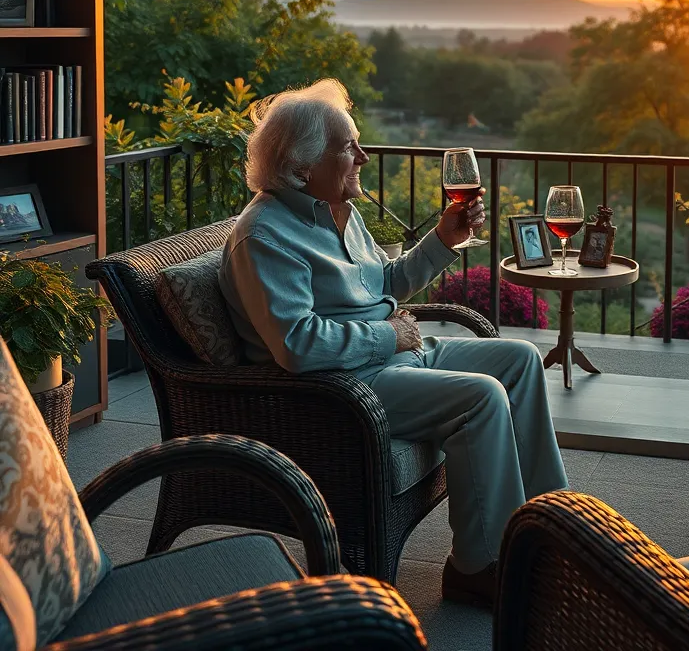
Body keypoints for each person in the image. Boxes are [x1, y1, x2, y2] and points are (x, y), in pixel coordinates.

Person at [218, 79, 567, 608]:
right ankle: (481, 564)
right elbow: (295, 345)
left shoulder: (338, 210)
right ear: (301, 165)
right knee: (481, 397)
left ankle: (550, 524)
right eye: (348, 148)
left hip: (394, 355)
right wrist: (389, 335)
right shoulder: (265, 236)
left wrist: (443, 240)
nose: (363, 155)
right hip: (343, 385)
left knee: (518, 358)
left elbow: (383, 283)